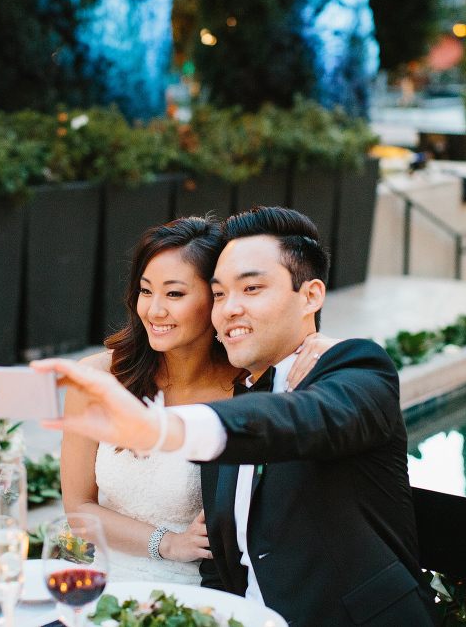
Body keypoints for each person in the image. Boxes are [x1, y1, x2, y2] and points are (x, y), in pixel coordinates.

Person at [36, 207, 438, 626]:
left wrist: (162, 429)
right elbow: (221, 558)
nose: (229, 309)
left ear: (311, 296)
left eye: (252, 289)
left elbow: (305, 419)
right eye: (221, 294)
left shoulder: (354, 369)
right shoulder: (241, 388)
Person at [60, 216, 333, 585]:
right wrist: (168, 543)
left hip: (201, 588)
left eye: (174, 294)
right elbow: (79, 509)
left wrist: (320, 344)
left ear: (215, 298)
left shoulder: (248, 388)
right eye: (145, 291)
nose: (154, 311)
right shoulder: (99, 378)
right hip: (99, 571)